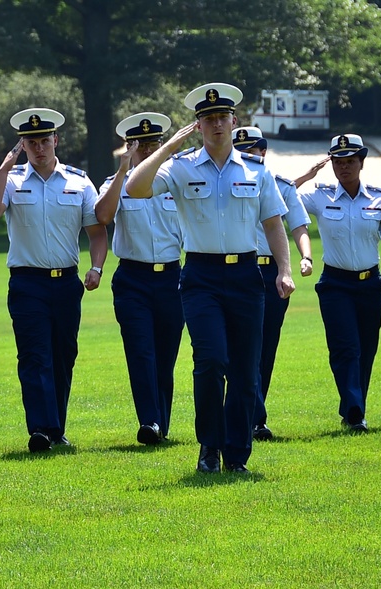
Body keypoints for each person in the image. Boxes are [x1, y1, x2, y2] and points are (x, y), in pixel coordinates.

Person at [125, 83, 295, 474]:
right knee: (210, 360)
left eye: (222, 117)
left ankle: (237, 455)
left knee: (243, 367)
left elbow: (273, 223)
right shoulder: (180, 166)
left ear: (234, 122)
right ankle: (209, 447)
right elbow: (136, 188)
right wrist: (167, 148)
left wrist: (284, 270)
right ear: (198, 125)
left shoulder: (255, 171)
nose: (217, 124)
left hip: (246, 275)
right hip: (200, 276)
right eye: (208, 118)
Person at [0, 107, 108, 453]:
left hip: (66, 282)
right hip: (27, 283)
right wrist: (4, 169)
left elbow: (96, 232)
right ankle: (40, 428)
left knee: (63, 354)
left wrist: (96, 268)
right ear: (24, 144)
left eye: (44, 140)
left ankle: (56, 427)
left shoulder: (78, 182)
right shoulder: (13, 180)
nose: (39, 147)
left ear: (56, 140)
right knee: (34, 356)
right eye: (31, 142)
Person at [296, 134, 381, 432]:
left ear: (361, 163)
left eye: (350, 162)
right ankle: (355, 411)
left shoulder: (378, 197)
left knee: (366, 349)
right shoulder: (320, 196)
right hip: (335, 284)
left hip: (370, 284)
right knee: (346, 348)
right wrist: (308, 175)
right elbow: (280, 198)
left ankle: (353, 407)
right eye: (338, 162)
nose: (344, 167)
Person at [94, 112, 184, 446]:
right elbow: (102, 216)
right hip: (133, 279)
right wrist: (122, 171)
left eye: (152, 144)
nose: (146, 151)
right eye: (139, 145)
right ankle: (149, 421)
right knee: (141, 351)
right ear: (128, 148)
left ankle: (162, 421)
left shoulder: (176, 181)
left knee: (165, 355)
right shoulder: (116, 183)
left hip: (172, 277)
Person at [231, 126, 313, 441]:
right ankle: (254, 416)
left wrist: (304, 258)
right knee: (242, 346)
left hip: (271, 273)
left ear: (264, 152)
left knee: (265, 347)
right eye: (242, 151)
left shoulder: (281, 186)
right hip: (238, 271)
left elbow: (299, 226)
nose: (247, 156)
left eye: (253, 150)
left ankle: (253, 415)